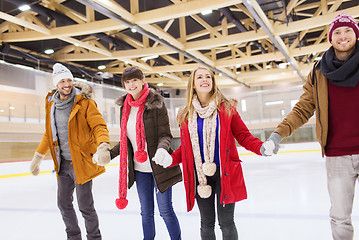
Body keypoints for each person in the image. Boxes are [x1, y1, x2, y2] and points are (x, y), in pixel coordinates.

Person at [263, 13, 359, 240]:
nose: (342, 36)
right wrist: (278, 134)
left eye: (348, 30)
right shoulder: (319, 71)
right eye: (337, 32)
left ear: (356, 34)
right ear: (330, 38)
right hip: (337, 155)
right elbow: (303, 109)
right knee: (340, 216)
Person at [153, 66, 273, 240]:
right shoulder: (186, 114)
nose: (204, 80)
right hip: (200, 176)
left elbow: (243, 136)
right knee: (206, 223)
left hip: (225, 173)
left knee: (226, 223)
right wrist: (169, 159)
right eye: (200, 77)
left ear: (213, 82)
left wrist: (261, 148)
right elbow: (186, 149)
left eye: (208, 76)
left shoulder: (226, 109)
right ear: (193, 84)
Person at [29, 63, 111, 240]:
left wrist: (103, 145)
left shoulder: (85, 103)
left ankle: (94, 237)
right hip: (62, 164)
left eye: (69, 80)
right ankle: (73, 236)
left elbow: (98, 126)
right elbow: (48, 134)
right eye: (62, 81)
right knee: (63, 204)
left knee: (85, 206)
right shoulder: (51, 105)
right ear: (56, 84)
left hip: (80, 162)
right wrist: (38, 157)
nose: (66, 84)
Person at [109, 67, 182, 240]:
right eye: (127, 82)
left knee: (165, 210)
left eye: (134, 80)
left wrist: (162, 150)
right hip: (139, 170)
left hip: (160, 166)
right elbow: (126, 140)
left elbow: (165, 134)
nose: (131, 84)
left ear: (142, 81)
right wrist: (110, 154)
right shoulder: (124, 107)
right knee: (146, 212)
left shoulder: (156, 103)